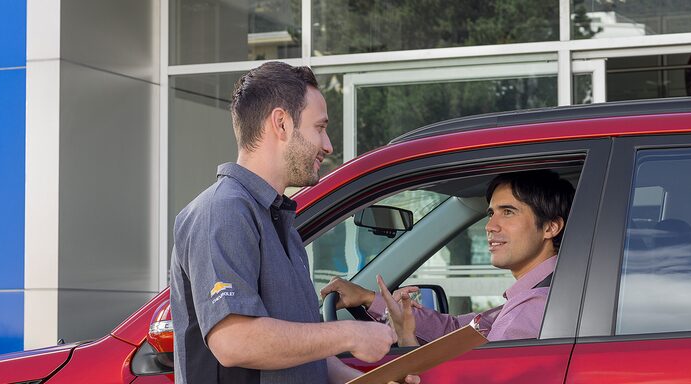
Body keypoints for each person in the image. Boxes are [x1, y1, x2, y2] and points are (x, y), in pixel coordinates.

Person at [170, 61, 419, 384]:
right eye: (319, 127)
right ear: (282, 124)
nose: (328, 145)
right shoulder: (222, 212)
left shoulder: (279, 220)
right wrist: (349, 334)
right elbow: (234, 341)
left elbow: (301, 352)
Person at [321, 170, 574, 346]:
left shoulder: (534, 308)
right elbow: (455, 330)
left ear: (551, 227)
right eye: (490, 213)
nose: (490, 226)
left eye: (507, 212)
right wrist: (369, 299)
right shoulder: (533, 298)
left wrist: (408, 344)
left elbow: (476, 377)